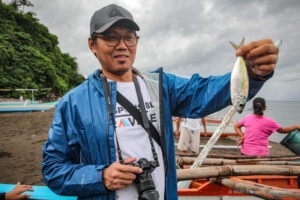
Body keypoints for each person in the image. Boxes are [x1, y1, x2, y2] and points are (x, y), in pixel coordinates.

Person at [42, 4, 280, 200]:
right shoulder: (73, 103)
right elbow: (53, 170)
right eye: (111, 38)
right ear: (92, 44)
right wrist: (101, 176)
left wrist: (253, 72)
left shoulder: (162, 86)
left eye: (129, 37)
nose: (122, 45)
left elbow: (204, 92)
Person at [234, 97, 300, 156]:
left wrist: (242, 136)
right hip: (261, 154)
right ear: (265, 108)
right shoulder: (270, 122)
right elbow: (283, 131)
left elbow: (236, 126)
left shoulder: (247, 118)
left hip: (245, 152)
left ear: (253, 107)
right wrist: (296, 126)